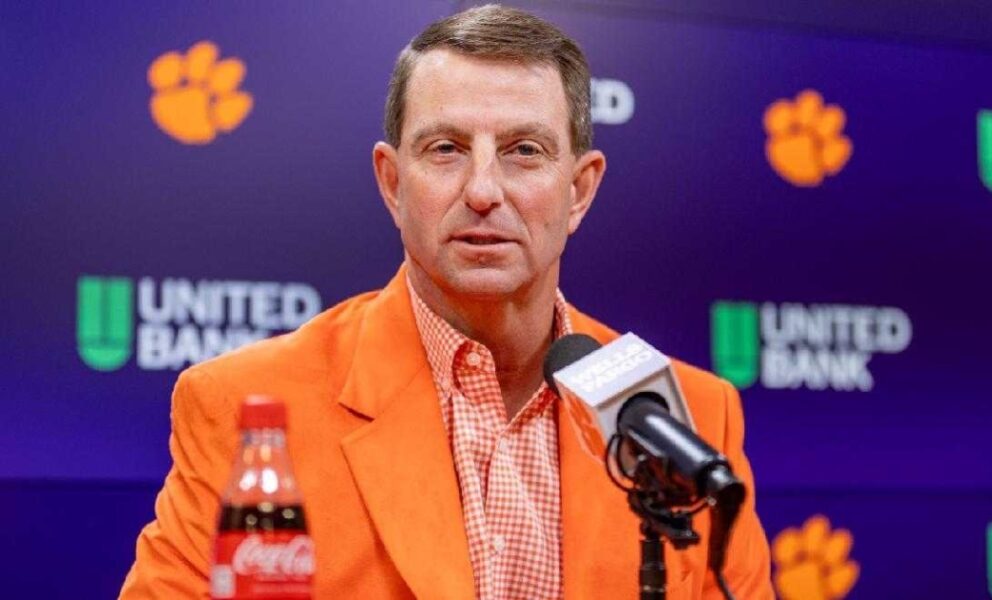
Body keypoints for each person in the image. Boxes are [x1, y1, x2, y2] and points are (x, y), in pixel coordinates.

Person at [120, 5, 773, 599]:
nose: (483, 190)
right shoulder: (245, 406)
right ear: (392, 183)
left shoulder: (691, 421)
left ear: (579, 190)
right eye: (446, 149)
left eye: (524, 151)